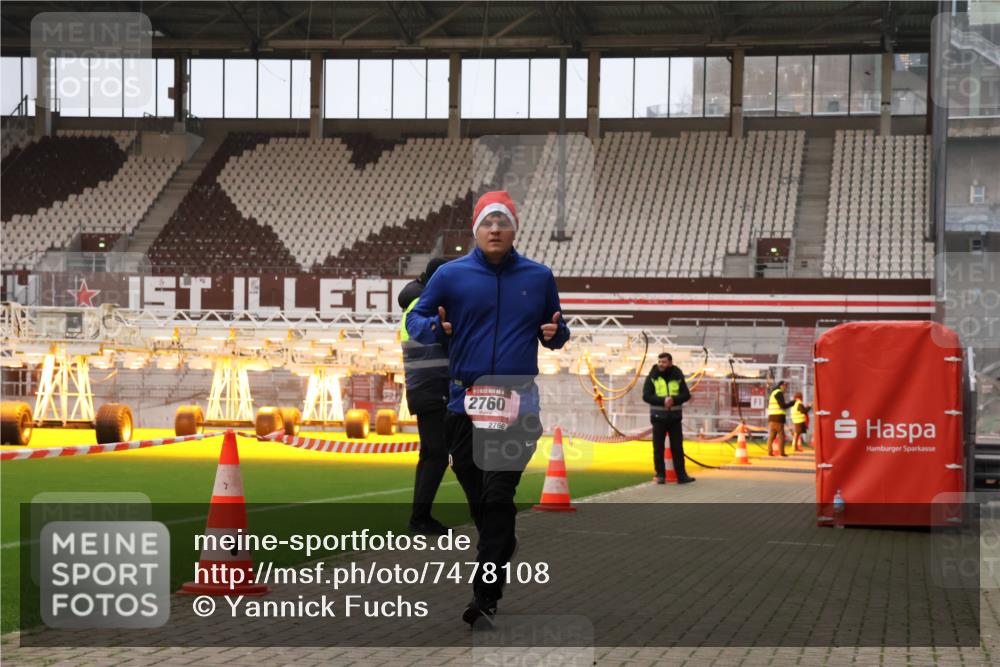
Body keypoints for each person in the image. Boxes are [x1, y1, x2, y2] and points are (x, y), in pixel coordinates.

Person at [406, 190, 570, 629]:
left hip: (517, 400)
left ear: (515, 229)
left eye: (503, 222)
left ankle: (484, 595)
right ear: (476, 230)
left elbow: (558, 330)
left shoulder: (538, 276)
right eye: (487, 222)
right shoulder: (451, 275)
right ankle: (502, 542)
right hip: (464, 401)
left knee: (498, 497)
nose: (495, 229)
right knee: (483, 501)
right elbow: (414, 320)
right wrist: (434, 328)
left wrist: (555, 333)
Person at [398, 257, 452, 536]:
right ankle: (420, 518)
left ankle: (420, 517)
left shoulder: (414, 303)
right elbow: (437, 338)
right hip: (433, 386)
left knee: (433, 453)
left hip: (424, 386)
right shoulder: (423, 307)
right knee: (438, 453)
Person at [641, 352, 694, 484]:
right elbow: (646, 396)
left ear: (670, 362)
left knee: (678, 447)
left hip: (675, 418)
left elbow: (686, 395)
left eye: (664, 362)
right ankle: (660, 475)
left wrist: (673, 400)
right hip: (658, 417)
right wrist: (663, 400)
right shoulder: (652, 376)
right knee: (658, 448)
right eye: (659, 362)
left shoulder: (677, 375)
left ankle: (681, 476)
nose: (661, 364)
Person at [766, 380, 795, 456]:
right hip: (778, 418)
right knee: (781, 436)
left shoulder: (774, 393)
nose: (786, 389)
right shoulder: (778, 393)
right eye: (785, 387)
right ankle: (782, 453)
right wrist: (792, 403)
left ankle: (770, 452)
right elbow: (782, 406)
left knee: (772, 436)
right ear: (781, 386)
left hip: (772, 418)